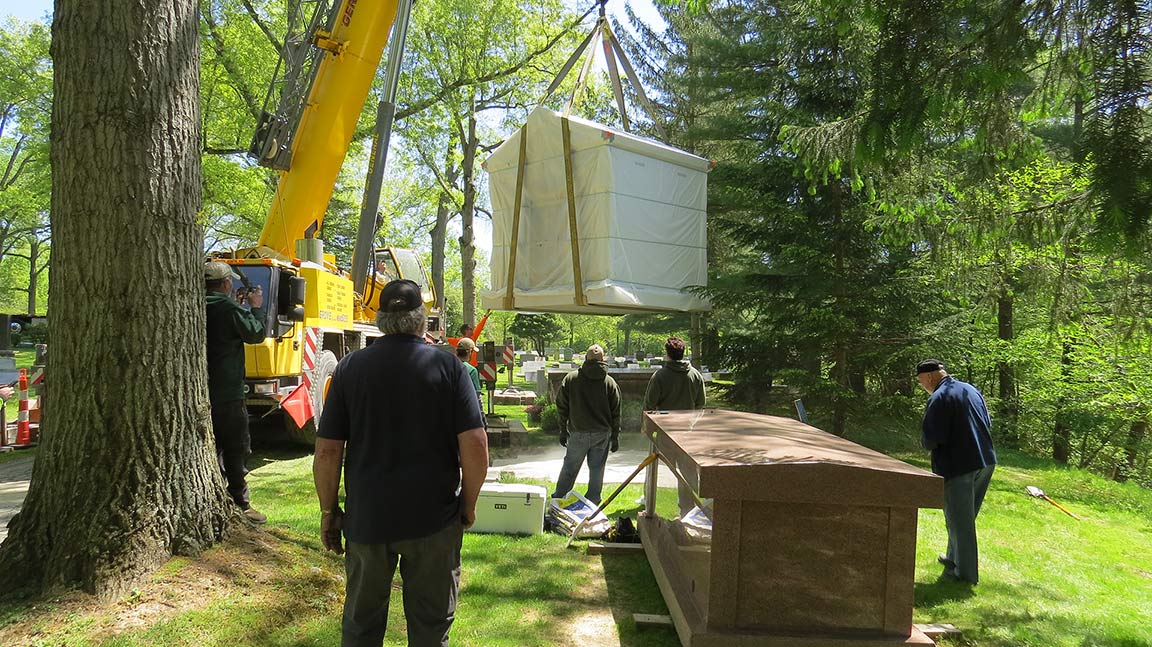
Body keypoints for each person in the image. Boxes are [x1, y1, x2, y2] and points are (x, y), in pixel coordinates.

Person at [314, 279, 489, 647]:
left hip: (367, 519)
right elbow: (475, 443)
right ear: (421, 320)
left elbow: (328, 451)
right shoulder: (450, 368)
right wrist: (468, 503)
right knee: (430, 627)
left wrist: (329, 510)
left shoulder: (349, 369)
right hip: (433, 520)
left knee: (361, 628)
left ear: (380, 320)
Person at [917, 359, 997, 585]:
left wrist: (923, 443)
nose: (922, 385)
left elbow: (931, 439)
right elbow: (987, 423)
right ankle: (952, 559)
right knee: (963, 517)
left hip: (959, 464)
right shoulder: (971, 390)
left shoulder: (939, 398)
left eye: (921, 381)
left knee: (959, 521)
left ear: (930, 376)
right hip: (986, 460)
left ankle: (966, 575)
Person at [204, 261, 267, 525]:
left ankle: (213, 494)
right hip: (228, 391)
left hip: (204, 388)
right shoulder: (228, 308)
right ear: (227, 283)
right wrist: (255, 307)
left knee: (213, 448)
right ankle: (240, 504)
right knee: (235, 447)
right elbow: (255, 334)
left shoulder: (195, 305)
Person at [643, 337, 707, 515]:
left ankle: (649, 506)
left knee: (654, 470)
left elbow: (649, 405)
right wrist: (693, 424)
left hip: (665, 432)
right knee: (687, 475)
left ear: (667, 354)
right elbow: (701, 404)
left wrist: (648, 430)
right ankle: (688, 511)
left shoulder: (660, 376)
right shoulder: (695, 375)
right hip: (687, 433)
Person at [551, 344, 621, 504]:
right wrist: (615, 436)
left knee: (569, 469)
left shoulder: (571, 379)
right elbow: (616, 412)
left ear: (585, 359)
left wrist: (563, 430)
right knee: (597, 470)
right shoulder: (609, 382)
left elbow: (562, 406)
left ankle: (559, 500)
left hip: (578, 432)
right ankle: (593, 503)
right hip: (601, 433)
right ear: (603, 360)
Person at [455, 337, 483, 411]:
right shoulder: (471, 370)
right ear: (469, 351)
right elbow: (477, 396)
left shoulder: (446, 366)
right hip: (464, 410)